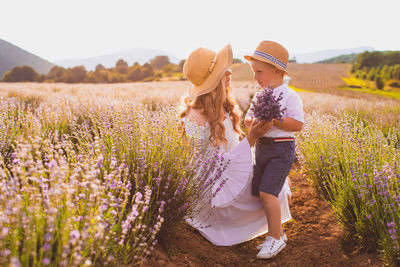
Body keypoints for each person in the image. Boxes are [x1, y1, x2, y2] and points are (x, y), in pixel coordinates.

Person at [179, 44, 293, 251]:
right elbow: (214, 169)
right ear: (213, 84)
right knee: (270, 190)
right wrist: (252, 138)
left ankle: (275, 232)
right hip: (215, 192)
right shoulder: (193, 118)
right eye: (223, 72)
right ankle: (274, 234)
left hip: (231, 170)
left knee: (273, 180)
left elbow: (233, 152)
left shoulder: (224, 105)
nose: (230, 72)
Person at [244, 41, 304, 259]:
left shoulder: (289, 95)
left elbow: (297, 124)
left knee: (267, 192)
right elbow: (247, 119)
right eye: (254, 73)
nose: (255, 78)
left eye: (259, 72)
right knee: (262, 193)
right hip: (261, 149)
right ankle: (278, 232)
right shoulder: (260, 95)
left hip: (281, 149)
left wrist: (276, 120)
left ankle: (275, 239)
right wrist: (256, 123)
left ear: (276, 71)